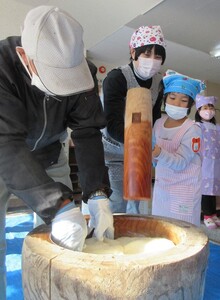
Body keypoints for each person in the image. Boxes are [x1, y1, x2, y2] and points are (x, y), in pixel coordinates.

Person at [0, 6, 114, 299]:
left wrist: (97, 192)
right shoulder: (1, 66)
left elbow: (87, 132)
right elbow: (7, 144)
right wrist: (58, 206)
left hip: (51, 152)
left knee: (64, 238)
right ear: (26, 57)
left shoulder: (84, 70)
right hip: (4, 154)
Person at [102, 25, 166, 214]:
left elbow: (154, 117)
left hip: (140, 152)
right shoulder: (117, 78)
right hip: (114, 153)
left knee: (136, 202)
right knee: (118, 205)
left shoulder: (157, 82)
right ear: (133, 52)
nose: (152, 61)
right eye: (147, 54)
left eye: (158, 56)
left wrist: (150, 145)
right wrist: (138, 144)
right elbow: (111, 124)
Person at [152, 69, 205, 226]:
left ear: (190, 104)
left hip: (184, 191)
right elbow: (154, 156)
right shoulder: (158, 124)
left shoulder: (193, 129)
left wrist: (158, 153)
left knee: (184, 232)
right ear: (165, 98)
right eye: (172, 98)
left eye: (183, 100)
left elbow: (181, 162)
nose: (176, 103)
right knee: (160, 228)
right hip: (162, 187)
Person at [195, 95, 220, 229]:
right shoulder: (197, 126)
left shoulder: (217, 127)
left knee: (213, 189)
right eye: (205, 107)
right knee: (205, 189)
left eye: (211, 107)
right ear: (199, 110)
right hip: (203, 162)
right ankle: (207, 215)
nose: (209, 110)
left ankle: (214, 214)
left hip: (216, 162)